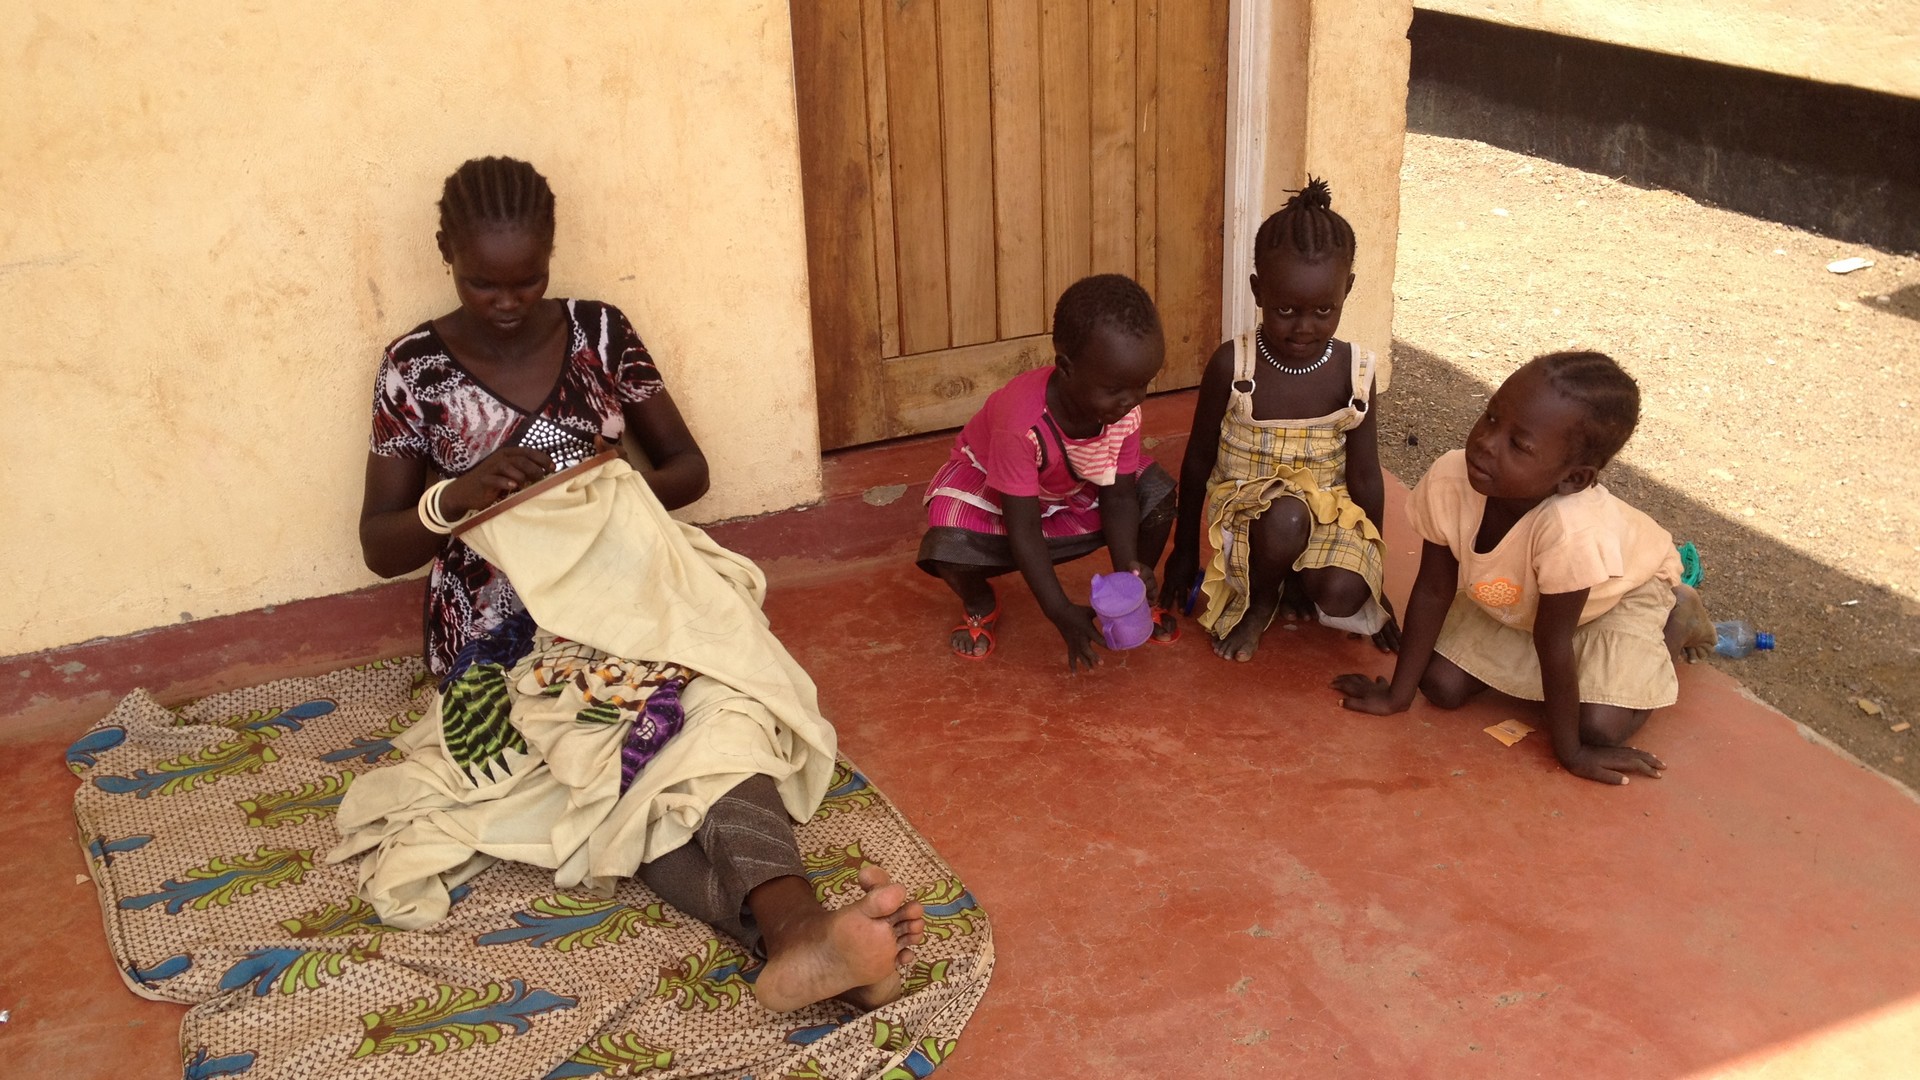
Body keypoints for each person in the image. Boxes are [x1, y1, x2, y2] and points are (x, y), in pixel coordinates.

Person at [348, 156, 923, 1011]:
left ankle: (798, 942)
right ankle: (796, 928)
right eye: (481, 285)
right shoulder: (413, 368)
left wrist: (594, 486)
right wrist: (455, 498)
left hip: (635, 591)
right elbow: (380, 544)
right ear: (444, 255)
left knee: (721, 715)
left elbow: (687, 469)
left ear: (551, 256)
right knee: (614, 751)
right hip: (504, 630)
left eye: (527, 281)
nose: (507, 304)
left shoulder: (599, 332)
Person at [1332, 351, 1715, 786]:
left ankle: (1678, 616)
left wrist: (1571, 752)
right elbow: (1433, 590)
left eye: (1519, 444)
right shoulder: (1451, 480)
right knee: (1439, 686)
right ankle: (1563, 682)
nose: (1486, 443)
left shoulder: (1572, 531)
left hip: (1620, 595)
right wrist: (1398, 697)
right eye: (1491, 417)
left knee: (1598, 729)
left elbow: (1553, 641)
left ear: (1573, 479)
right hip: (1529, 604)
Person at [1160, 179, 1398, 663]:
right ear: (1257, 290)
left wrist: (1376, 573)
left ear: (1347, 290)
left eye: (1323, 310)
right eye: (1285, 310)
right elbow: (1197, 462)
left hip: (1328, 511)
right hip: (1249, 514)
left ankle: (1297, 581)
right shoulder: (1234, 365)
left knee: (1343, 594)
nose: (1303, 328)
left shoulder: (1356, 372)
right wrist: (1182, 552)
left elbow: (1366, 477)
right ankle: (1261, 601)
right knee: (1287, 515)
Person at [916, 273, 1179, 671]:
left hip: (1069, 490)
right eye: (1116, 389)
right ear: (1067, 368)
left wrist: (1129, 573)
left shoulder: (1122, 409)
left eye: (1143, 384)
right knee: (947, 546)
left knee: (1156, 495)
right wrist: (1058, 610)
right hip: (1000, 496)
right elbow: (1023, 529)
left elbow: (1120, 494)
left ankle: (1138, 599)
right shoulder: (1021, 424)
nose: (1132, 400)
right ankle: (980, 602)